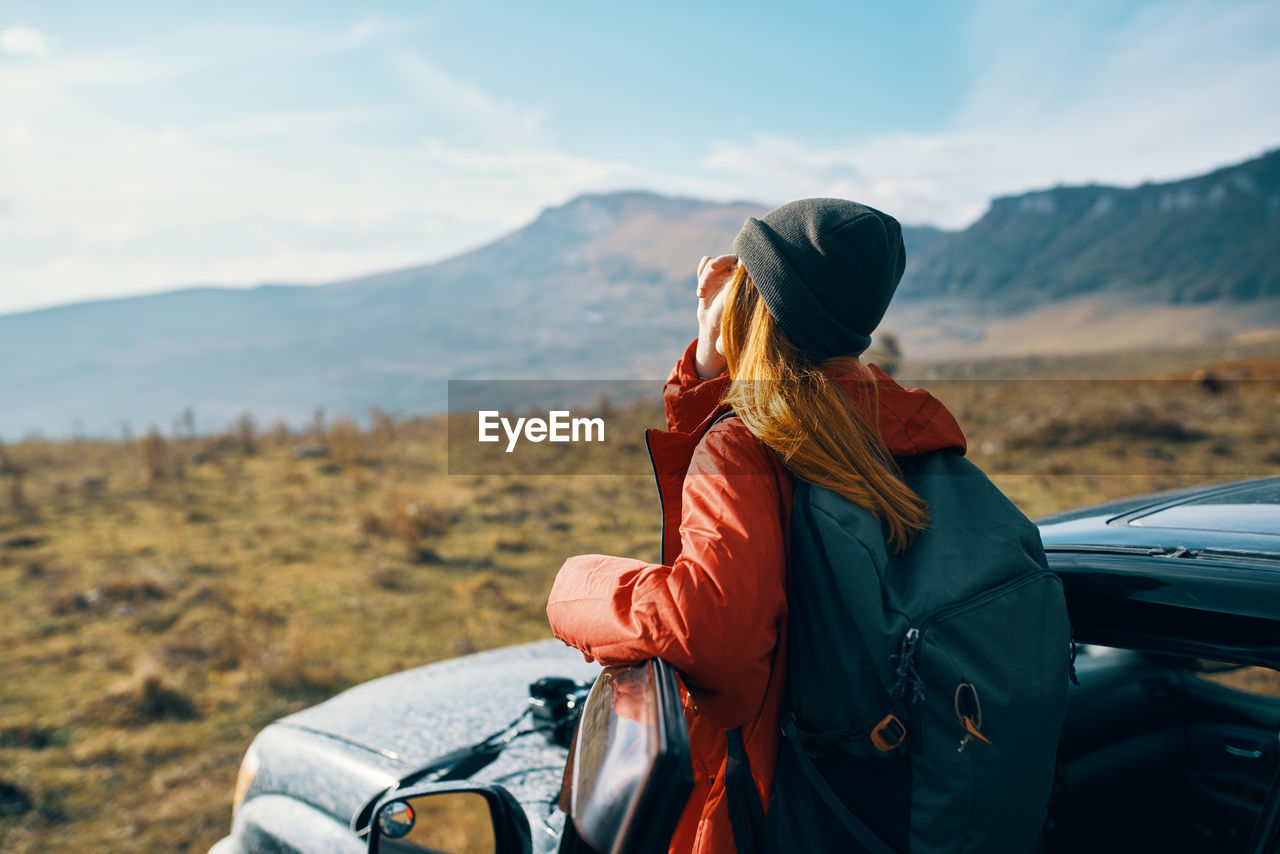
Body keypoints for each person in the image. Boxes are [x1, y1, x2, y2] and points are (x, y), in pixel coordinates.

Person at [547, 198, 969, 854]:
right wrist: (713, 371)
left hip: (776, 806)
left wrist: (578, 586)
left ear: (755, 301)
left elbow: (709, 633)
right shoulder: (912, 435)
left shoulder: (750, 444)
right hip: (890, 793)